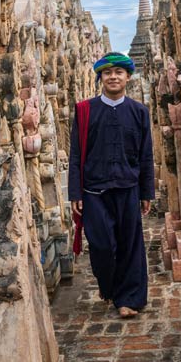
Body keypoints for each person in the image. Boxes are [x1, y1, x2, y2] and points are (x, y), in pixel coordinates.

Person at [68, 52, 155, 318]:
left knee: (130, 245)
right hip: (94, 191)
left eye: (119, 72)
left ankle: (128, 298)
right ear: (100, 78)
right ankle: (109, 286)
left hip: (128, 188)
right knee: (102, 246)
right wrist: (75, 192)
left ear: (128, 77)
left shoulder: (139, 112)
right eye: (107, 73)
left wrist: (146, 192)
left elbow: (146, 155)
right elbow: (75, 154)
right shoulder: (85, 111)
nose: (113, 77)